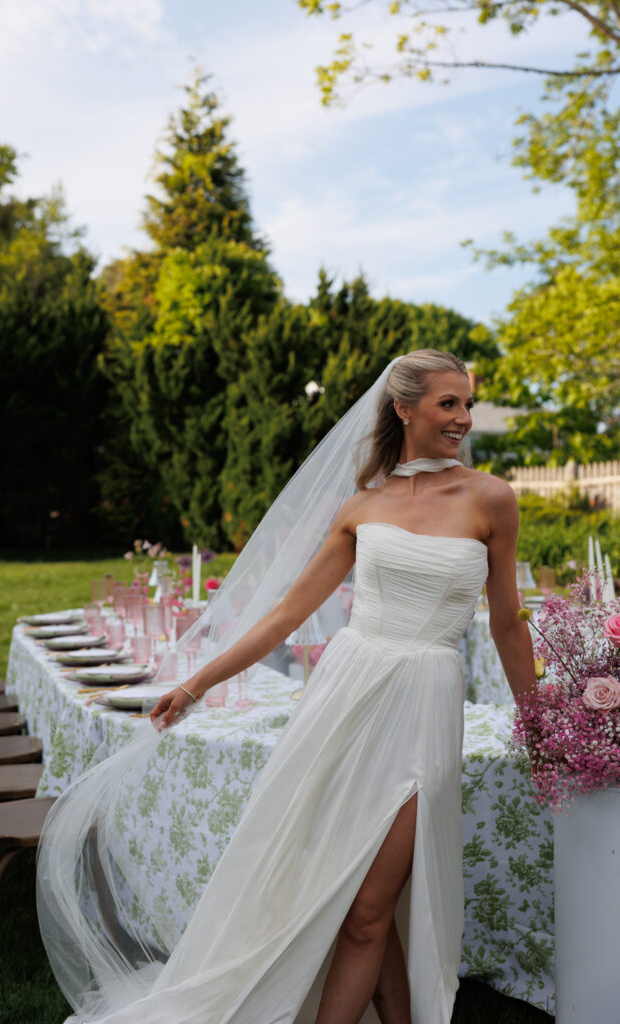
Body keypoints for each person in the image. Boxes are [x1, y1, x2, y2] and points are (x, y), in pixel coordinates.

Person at [37, 349, 537, 1024]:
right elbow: (283, 616)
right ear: (404, 408)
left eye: (467, 404)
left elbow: (507, 623)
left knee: (367, 905)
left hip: (424, 698)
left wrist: (538, 717)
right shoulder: (362, 505)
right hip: (344, 696)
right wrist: (194, 685)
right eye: (448, 403)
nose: (463, 417)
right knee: (351, 892)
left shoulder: (490, 498)